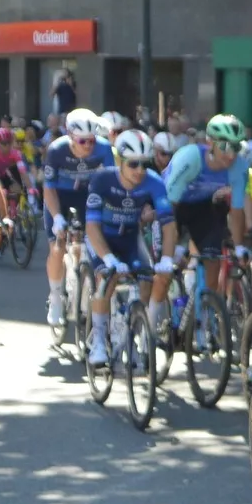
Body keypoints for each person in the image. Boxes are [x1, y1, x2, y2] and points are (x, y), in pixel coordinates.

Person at [81, 129, 176, 367]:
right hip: (103, 237)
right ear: (120, 161)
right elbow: (91, 227)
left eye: (145, 164)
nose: (140, 171)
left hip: (131, 239)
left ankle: (132, 336)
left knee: (147, 280)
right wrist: (109, 259)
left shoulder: (153, 182)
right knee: (107, 278)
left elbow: (169, 224)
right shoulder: (102, 180)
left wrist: (166, 258)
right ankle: (100, 341)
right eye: (133, 164)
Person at [163, 114, 252, 299]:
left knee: (213, 260)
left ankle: (207, 315)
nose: (231, 154)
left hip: (201, 208)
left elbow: (236, 211)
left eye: (236, 147)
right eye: (224, 146)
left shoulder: (239, 167)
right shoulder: (190, 158)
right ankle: (154, 314)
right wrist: (173, 246)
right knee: (166, 268)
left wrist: (238, 247)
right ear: (210, 142)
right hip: (172, 206)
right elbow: (169, 207)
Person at [40, 109, 115, 329]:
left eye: (91, 141)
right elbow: (49, 189)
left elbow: (111, 182)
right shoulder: (56, 150)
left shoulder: (103, 148)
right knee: (58, 246)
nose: (88, 146)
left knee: (97, 240)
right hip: (60, 195)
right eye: (83, 141)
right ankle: (55, 296)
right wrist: (56, 218)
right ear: (71, 136)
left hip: (87, 195)